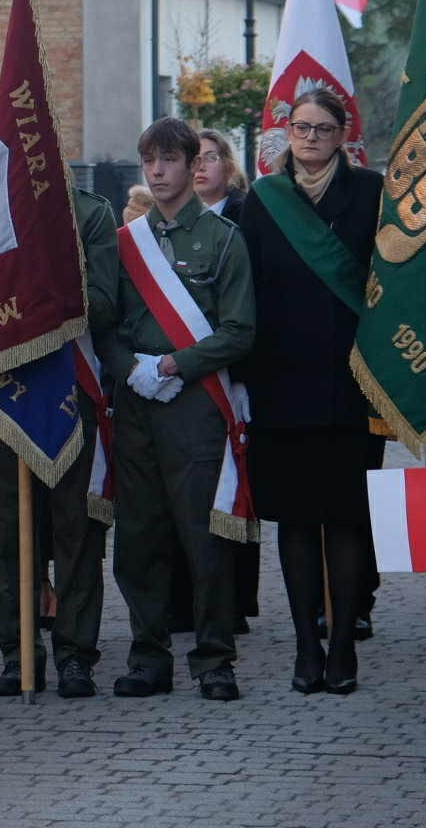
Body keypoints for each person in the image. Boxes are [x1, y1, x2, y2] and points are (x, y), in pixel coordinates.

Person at [103, 117, 255, 702]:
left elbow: (241, 330)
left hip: (195, 403)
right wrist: (133, 369)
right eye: (150, 162)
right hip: (137, 401)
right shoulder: (126, 245)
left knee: (203, 534)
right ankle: (148, 655)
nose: (158, 172)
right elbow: (107, 324)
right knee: (140, 533)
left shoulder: (223, 240)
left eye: (168, 160)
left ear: (193, 166)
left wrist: (174, 366)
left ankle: (214, 658)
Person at [239, 89, 383, 695]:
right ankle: (305, 646)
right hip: (281, 384)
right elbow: (243, 293)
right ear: (286, 131)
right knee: (295, 521)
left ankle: (344, 645)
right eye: (301, 128)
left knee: (347, 519)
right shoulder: (261, 202)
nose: (311, 139)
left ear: (343, 134)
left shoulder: (373, 195)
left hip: (354, 384)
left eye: (324, 129)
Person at [0, 184, 119, 699]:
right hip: (7, 392)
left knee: (75, 532)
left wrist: (47, 293)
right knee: (9, 531)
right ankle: (17, 653)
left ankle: (75, 655)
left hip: (70, 388)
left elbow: (105, 303)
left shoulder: (91, 211)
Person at [173, 129, 259, 635]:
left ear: (228, 165)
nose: (202, 167)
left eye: (211, 158)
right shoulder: (159, 225)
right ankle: (186, 599)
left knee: (233, 487)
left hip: (230, 373)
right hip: (177, 378)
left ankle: (234, 602)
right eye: (195, 159)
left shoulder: (243, 218)